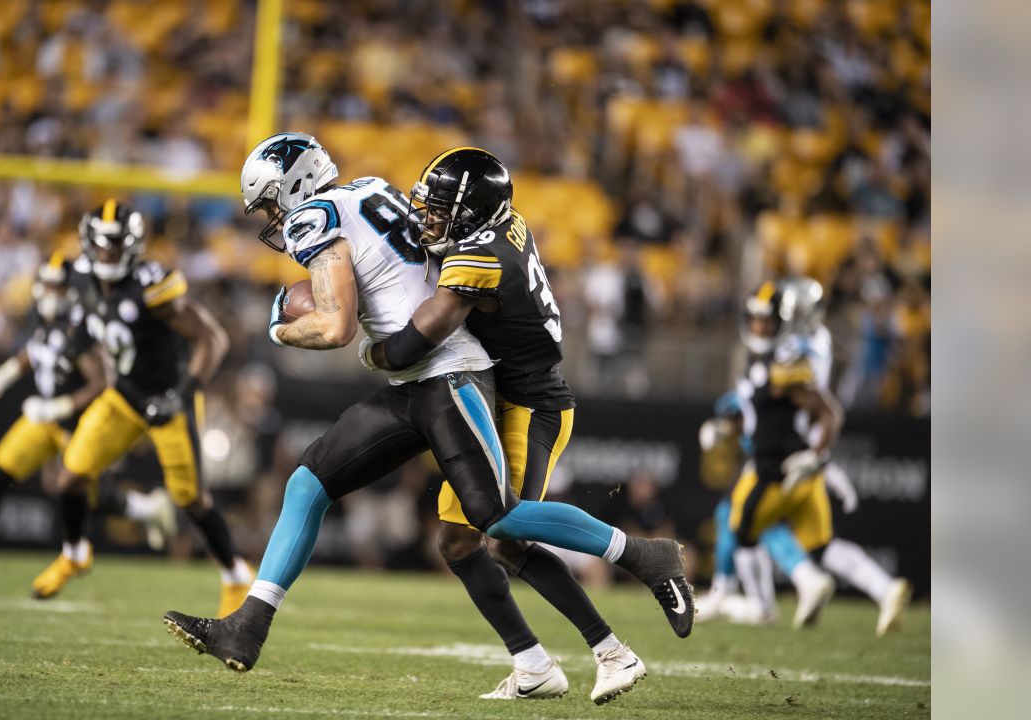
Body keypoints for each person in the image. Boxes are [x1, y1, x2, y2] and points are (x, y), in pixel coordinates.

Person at [162, 134, 694, 683]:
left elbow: (338, 326)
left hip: (449, 375)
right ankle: (249, 625)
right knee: (309, 483)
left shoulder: (313, 220)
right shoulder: (369, 187)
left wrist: (283, 327)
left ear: (293, 187)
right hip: (417, 384)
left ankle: (642, 555)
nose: (273, 217)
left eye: (272, 202)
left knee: (497, 519)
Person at [362, 148, 655, 703]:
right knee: (455, 539)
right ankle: (533, 666)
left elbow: (407, 349)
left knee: (505, 534)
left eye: (441, 207)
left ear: (472, 213)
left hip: (531, 406)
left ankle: (615, 646)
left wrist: (368, 348)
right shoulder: (502, 223)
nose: (428, 216)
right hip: (498, 401)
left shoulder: (482, 256)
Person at [31, 200, 254, 619]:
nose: (106, 255)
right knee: (70, 477)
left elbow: (213, 339)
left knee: (191, 501)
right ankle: (75, 552)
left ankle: (235, 573)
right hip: (124, 395)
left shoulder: (152, 286)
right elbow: (84, 321)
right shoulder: (79, 278)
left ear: (132, 248)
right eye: (100, 246)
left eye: (115, 247)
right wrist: (72, 352)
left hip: (168, 399)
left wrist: (184, 392)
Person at [0, 253, 172, 583]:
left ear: (70, 289)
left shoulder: (80, 327)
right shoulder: (47, 320)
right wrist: (9, 370)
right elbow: (37, 349)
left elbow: (101, 382)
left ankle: (146, 509)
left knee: (78, 495)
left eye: (55, 286)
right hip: (44, 416)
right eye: (44, 283)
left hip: (75, 422)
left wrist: (62, 406)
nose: (46, 291)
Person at [702, 277, 912, 635]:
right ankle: (883, 587)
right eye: (755, 319)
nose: (760, 326)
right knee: (820, 544)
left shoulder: (789, 356)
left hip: (779, 459)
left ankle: (772, 593)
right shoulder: (796, 350)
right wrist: (821, 457)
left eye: (768, 319)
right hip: (806, 455)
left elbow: (813, 406)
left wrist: (818, 454)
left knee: (742, 523)